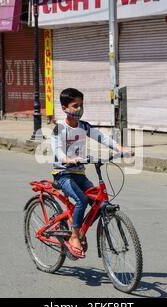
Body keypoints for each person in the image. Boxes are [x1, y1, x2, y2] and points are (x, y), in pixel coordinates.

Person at [50, 88, 133, 259]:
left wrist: (119, 148)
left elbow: (102, 137)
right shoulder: (60, 129)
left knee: (100, 203)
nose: (79, 109)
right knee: (82, 200)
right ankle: (74, 236)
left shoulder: (84, 126)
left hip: (79, 173)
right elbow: (57, 149)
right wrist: (66, 158)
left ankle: (79, 229)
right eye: (75, 106)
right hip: (63, 174)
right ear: (65, 108)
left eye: (81, 105)